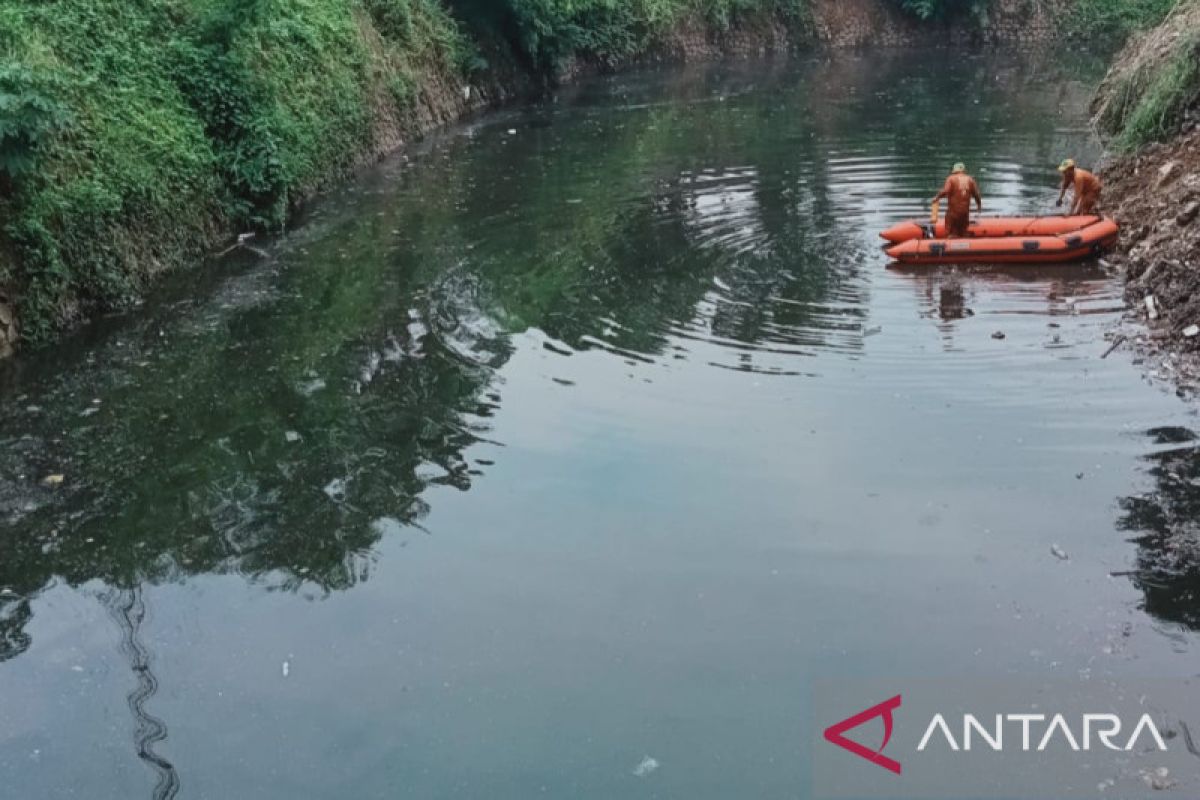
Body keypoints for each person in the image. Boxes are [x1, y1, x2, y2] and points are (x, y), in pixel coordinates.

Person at [931, 162, 982, 238]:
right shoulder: (970, 180)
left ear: (954, 170)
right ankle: (965, 245)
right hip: (965, 213)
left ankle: (951, 243)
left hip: (953, 213)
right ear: (964, 170)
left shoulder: (951, 178)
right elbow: (976, 194)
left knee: (951, 233)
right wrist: (979, 205)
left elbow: (946, 190)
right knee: (963, 232)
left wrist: (937, 197)